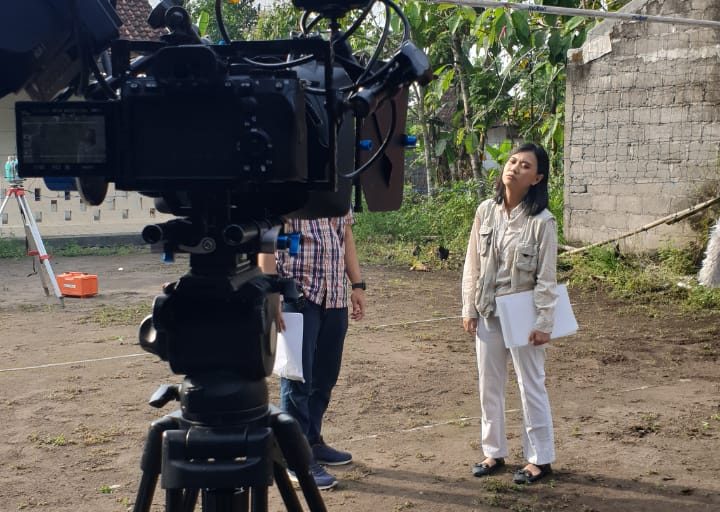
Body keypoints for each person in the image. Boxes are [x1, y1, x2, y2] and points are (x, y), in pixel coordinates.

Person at [461, 142, 558, 485]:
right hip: (488, 308)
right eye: (513, 161)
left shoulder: (542, 222)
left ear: (537, 178)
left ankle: (539, 458)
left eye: (525, 165)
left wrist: (544, 322)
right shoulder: (486, 211)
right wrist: (469, 307)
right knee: (489, 384)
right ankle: (493, 452)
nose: (515, 168)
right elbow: (472, 263)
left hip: (522, 311)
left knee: (530, 384)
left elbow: (547, 277)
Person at [259, 213, 366, 490]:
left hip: (334, 296)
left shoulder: (338, 193)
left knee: (325, 377)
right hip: (298, 296)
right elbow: (267, 241)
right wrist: (271, 294)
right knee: (297, 379)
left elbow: (346, 237)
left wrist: (357, 285)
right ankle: (295, 456)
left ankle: (312, 441)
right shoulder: (286, 193)